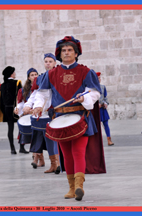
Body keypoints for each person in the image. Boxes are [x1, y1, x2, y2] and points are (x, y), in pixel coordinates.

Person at [33, 36, 106, 201]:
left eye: (70, 50)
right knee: (66, 154)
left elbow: (94, 93)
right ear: (60, 53)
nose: (67, 53)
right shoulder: (51, 74)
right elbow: (43, 94)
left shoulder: (86, 72)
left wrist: (84, 98)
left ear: (76, 53)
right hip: (59, 118)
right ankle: (71, 188)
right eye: (64, 50)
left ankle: (79, 186)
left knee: (78, 152)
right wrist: (39, 106)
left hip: (80, 117)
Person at [22, 53, 61, 173]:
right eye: (46, 61)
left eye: (50, 61)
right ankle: (54, 164)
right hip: (45, 114)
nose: (48, 63)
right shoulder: (41, 78)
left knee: (58, 140)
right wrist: (28, 106)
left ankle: (60, 163)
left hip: (59, 112)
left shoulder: (60, 75)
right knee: (49, 139)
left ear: (55, 62)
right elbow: (36, 94)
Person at [0, 66, 22, 154]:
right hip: (16, 108)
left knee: (10, 128)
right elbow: (20, 96)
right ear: (11, 73)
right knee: (21, 127)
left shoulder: (2, 85)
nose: (15, 74)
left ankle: (12, 148)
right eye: (14, 72)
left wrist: (2, 110)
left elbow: (1, 99)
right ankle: (21, 147)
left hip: (7, 109)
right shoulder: (17, 83)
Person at [14, 68, 38, 154]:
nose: (34, 76)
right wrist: (18, 109)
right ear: (28, 77)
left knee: (37, 136)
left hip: (38, 114)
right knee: (27, 134)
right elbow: (20, 103)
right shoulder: (23, 90)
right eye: (32, 75)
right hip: (27, 114)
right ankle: (32, 153)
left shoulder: (41, 87)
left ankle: (37, 155)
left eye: (36, 74)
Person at [96, 72, 114, 146]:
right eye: (97, 78)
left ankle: (109, 139)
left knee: (106, 124)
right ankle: (97, 142)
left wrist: (106, 103)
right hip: (96, 110)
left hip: (102, 109)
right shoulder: (92, 88)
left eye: (99, 78)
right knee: (97, 126)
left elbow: (105, 97)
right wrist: (96, 105)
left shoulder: (103, 87)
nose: (99, 79)